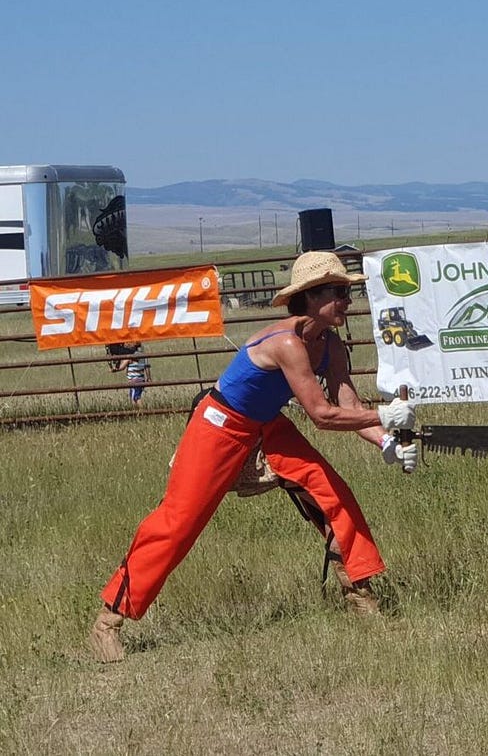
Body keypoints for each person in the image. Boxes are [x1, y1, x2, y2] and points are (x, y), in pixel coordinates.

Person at [88, 251, 418, 663]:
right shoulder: (286, 343)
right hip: (220, 424)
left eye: (347, 291)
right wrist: (384, 414)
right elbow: (322, 415)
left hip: (266, 424)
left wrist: (386, 439)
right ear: (312, 297)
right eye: (339, 292)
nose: (347, 300)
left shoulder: (330, 344)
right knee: (178, 522)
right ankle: (108, 621)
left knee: (333, 494)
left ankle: (360, 597)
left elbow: (345, 400)